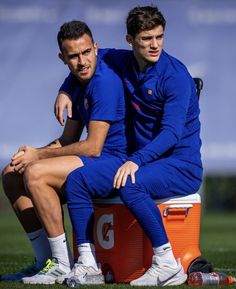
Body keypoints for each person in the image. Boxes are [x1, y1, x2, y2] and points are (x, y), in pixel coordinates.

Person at [56, 5, 203, 286]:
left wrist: (136, 160)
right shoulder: (119, 60)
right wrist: (65, 90)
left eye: (159, 37)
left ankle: (166, 263)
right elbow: (84, 62)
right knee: (77, 180)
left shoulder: (175, 76)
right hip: (143, 161)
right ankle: (89, 267)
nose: (155, 44)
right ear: (130, 40)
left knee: (131, 184)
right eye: (147, 38)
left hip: (180, 165)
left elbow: (171, 134)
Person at [0, 20, 128, 285]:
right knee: (12, 173)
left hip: (114, 162)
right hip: (96, 160)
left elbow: (93, 147)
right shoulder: (80, 83)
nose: (81, 61)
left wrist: (38, 157)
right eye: (73, 56)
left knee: (36, 173)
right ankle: (44, 262)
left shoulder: (104, 83)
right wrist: (32, 152)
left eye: (85, 52)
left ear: (96, 48)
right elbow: (67, 139)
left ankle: (61, 264)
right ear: (63, 58)